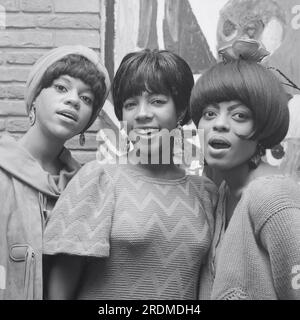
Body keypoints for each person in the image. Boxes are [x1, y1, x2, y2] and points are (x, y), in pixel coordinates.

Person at [43, 49, 218, 300]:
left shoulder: (205, 192)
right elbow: (60, 286)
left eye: (157, 101)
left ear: (180, 111)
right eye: (130, 104)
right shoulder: (100, 178)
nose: (142, 114)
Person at [0, 45, 110, 300]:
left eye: (86, 99)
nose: (73, 100)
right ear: (35, 97)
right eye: (61, 87)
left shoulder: (84, 185)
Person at [190, 59, 300, 299]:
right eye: (209, 113)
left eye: (239, 115)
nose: (219, 124)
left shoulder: (272, 197)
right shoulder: (222, 193)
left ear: (263, 128)